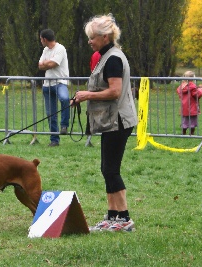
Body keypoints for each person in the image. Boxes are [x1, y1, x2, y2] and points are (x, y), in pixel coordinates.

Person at [71, 14, 138, 232]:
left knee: (111, 169)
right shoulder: (106, 56)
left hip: (118, 121)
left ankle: (124, 219)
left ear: (105, 37)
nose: (90, 41)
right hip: (112, 121)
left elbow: (115, 91)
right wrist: (82, 97)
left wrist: (87, 95)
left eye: (93, 37)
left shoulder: (113, 59)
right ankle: (112, 217)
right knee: (106, 169)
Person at [38, 29, 70, 147]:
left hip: (60, 82)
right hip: (48, 84)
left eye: (41, 39)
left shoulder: (60, 49)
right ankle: (54, 139)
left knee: (65, 99)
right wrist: (47, 63)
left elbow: (52, 64)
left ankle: (64, 125)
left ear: (45, 39)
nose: (41, 41)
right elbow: (40, 65)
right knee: (51, 114)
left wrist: (46, 63)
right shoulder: (45, 50)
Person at [176, 71, 202, 135]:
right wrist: (200, 89)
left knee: (185, 121)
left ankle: (183, 133)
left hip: (184, 107)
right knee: (193, 122)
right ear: (193, 78)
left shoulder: (181, 86)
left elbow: (179, 93)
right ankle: (191, 133)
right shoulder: (192, 86)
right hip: (192, 107)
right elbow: (197, 95)